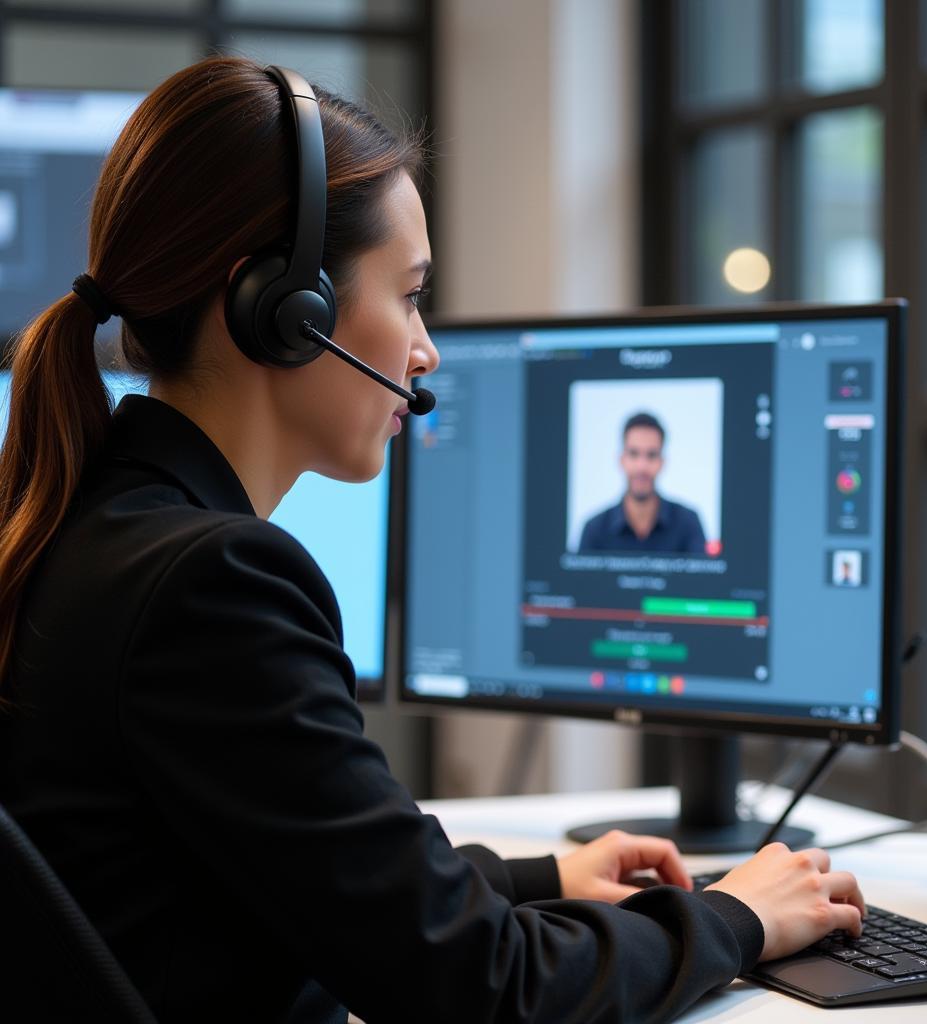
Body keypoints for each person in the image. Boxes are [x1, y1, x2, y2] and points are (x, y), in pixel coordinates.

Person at [0, 57, 864, 1023]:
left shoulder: (89, 525)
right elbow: (485, 989)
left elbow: (296, 864)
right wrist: (734, 917)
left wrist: (541, 874)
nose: (426, 350)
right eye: (408, 295)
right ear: (288, 315)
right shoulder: (212, 583)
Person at [578, 412, 707, 554]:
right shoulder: (594, 529)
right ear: (622, 460)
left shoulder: (688, 523)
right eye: (634, 453)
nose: (642, 466)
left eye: (651, 455)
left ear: (661, 462)